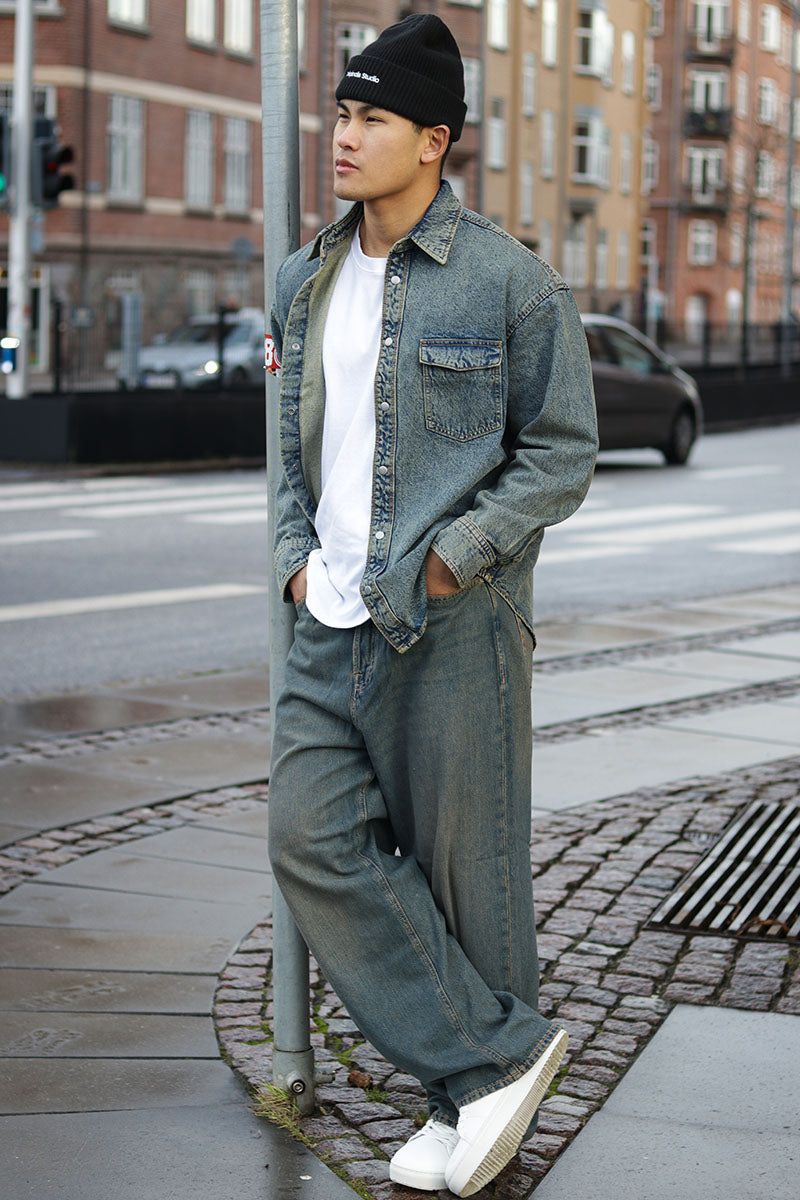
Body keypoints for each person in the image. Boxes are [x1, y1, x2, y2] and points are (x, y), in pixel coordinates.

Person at [267, 14, 598, 1197]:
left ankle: (463, 1109)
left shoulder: (509, 281)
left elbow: (560, 450)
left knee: (469, 879)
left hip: (451, 622)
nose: (343, 136)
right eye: (340, 113)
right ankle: (489, 1063)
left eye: (371, 118)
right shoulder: (304, 277)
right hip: (327, 620)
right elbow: (292, 450)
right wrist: (294, 557)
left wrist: (456, 557)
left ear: (432, 141)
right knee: (308, 838)